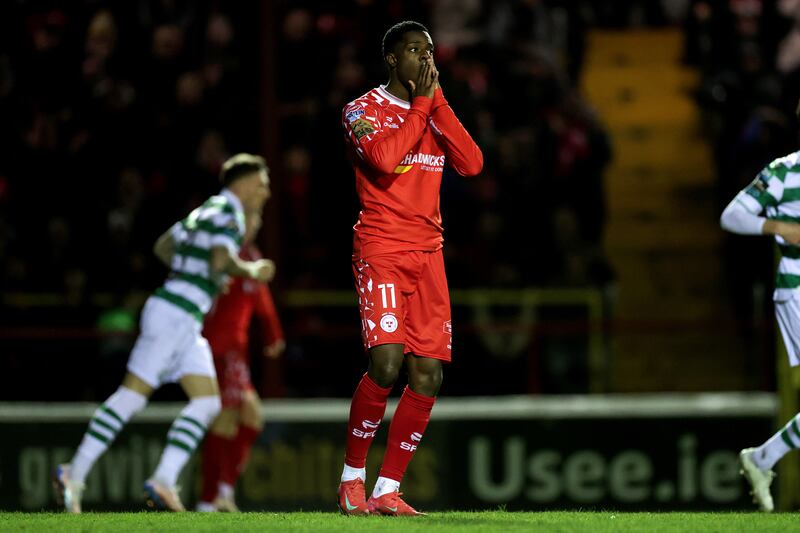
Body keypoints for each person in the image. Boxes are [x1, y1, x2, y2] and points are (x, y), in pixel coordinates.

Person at [53, 153, 275, 513]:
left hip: (184, 319)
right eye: (262, 185)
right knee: (132, 397)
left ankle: (164, 480)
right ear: (245, 182)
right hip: (174, 315)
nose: (265, 193)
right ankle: (73, 472)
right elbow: (221, 259)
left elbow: (163, 247)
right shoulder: (230, 213)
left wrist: (192, 270)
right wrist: (251, 271)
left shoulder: (204, 210)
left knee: (206, 403)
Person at [336, 20, 483, 516]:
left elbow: (472, 163)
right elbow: (383, 158)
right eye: (413, 50)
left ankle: (387, 489)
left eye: (428, 50)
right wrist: (421, 107)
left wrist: (435, 102)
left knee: (428, 374)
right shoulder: (362, 110)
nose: (424, 57)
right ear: (392, 60)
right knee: (386, 363)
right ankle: (351, 478)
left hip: (429, 254)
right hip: (381, 249)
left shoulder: (434, 110)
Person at [720, 102, 800, 512]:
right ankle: (763, 458)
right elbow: (733, 216)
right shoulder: (785, 171)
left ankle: (763, 457)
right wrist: (780, 226)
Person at [197, 211, 285, 512]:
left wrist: (273, 333)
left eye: (256, 223)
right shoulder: (225, 256)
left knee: (251, 417)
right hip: (219, 348)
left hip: (238, 350)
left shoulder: (251, 256)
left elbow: (261, 298)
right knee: (226, 418)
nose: (254, 226)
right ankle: (209, 499)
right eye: (249, 221)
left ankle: (222, 490)